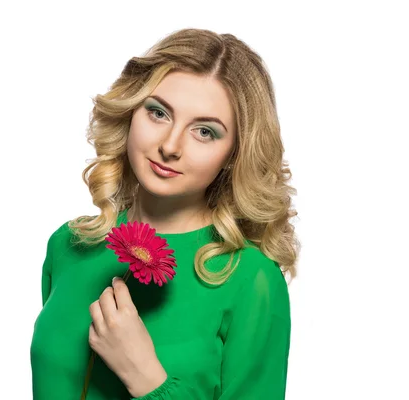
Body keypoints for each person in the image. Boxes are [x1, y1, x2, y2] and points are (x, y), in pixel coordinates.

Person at [30, 28, 300, 399]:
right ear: (130, 111)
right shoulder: (70, 245)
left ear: (234, 156)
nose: (170, 146)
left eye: (204, 132)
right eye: (158, 113)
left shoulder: (250, 280)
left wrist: (145, 377)